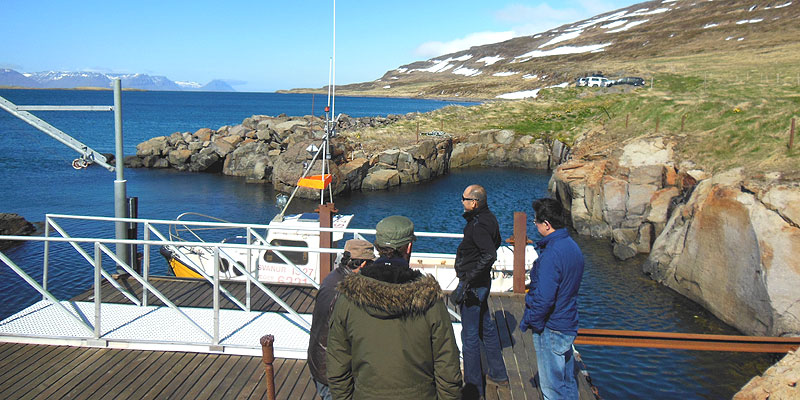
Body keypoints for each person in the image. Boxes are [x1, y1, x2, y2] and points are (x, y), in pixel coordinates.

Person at [326, 215, 462, 399]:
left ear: (378, 247)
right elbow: (447, 368)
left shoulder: (348, 299)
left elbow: (337, 365)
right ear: (409, 247)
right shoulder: (430, 300)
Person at [519, 198, 585, 399]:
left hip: (552, 328)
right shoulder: (573, 247)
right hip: (567, 323)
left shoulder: (551, 255)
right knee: (567, 382)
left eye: (536, 222)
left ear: (546, 225)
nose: (535, 225)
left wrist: (533, 322)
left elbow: (544, 299)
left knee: (552, 389)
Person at [453, 184, 509, 399]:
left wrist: (468, 278)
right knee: (486, 327)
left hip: (474, 286)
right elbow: (496, 243)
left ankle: (473, 389)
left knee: (469, 336)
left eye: (464, 198)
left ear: (474, 203)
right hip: (482, 283)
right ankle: (498, 374)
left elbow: (489, 254)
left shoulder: (477, 225)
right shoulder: (489, 218)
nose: (462, 201)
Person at [308, 239, 376, 400]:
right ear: (363, 265)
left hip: (317, 362)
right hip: (332, 374)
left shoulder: (332, 278)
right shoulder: (347, 293)